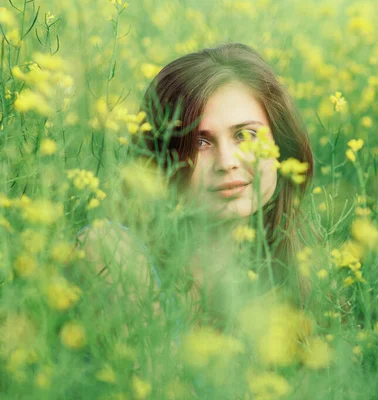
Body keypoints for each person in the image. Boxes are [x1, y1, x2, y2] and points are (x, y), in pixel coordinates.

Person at [75, 43, 319, 332]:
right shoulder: (111, 251)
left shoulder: (300, 279)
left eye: (245, 135)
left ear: (281, 144)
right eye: (200, 142)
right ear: (161, 158)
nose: (227, 162)